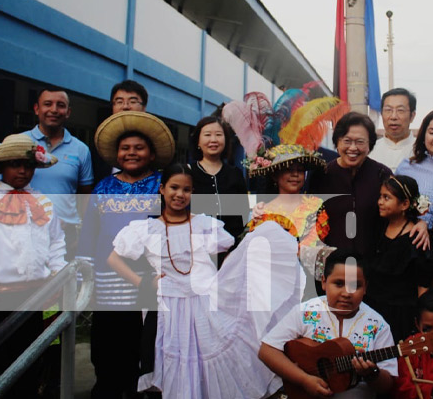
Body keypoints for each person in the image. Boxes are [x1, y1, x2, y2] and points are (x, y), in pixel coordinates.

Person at [108, 163, 303, 398]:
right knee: (178, 365)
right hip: (170, 307)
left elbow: (231, 250)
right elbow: (114, 258)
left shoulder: (204, 224)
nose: (179, 195)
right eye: (174, 188)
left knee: (211, 358)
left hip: (206, 302)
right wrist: (142, 283)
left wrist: (235, 271)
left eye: (186, 190)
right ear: (162, 189)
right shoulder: (146, 228)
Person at [76, 111, 175, 399]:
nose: (131, 153)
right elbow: (89, 233)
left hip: (149, 284)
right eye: (125, 148)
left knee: (144, 348)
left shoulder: (162, 186)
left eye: (139, 147)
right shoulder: (103, 188)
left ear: (152, 153)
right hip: (108, 285)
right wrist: (86, 274)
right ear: (117, 154)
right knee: (107, 350)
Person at [259, 250, 397, 398]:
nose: (346, 293)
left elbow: (387, 385)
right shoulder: (306, 311)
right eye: (338, 284)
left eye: (355, 286)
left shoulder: (377, 325)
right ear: (324, 282)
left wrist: (372, 374)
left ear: (365, 288)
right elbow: (267, 350)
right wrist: (304, 380)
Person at [0, 134, 64, 398]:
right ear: (1, 167)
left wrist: (58, 277)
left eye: (27, 165)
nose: (22, 171)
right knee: (1, 360)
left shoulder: (44, 203)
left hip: (37, 297)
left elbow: (56, 243)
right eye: (14, 164)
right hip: (1, 296)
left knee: (32, 359)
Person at [310, 112, 430, 257]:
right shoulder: (322, 175)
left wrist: (421, 223)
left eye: (360, 142)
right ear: (337, 142)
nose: (353, 148)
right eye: (347, 141)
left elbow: (400, 212)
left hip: (374, 264)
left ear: (370, 145)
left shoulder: (382, 174)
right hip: (333, 265)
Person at [365, 175, 433, 342]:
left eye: (387, 198)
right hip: (373, 309)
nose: (380, 202)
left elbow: (423, 287)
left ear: (405, 204)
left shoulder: (418, 239)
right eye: (380, 196)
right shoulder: (378, 228)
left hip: (402, 314)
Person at [25, 86, 94, 259]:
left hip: (66, 235)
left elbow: (85, 196)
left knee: (65, 284)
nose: (54, 110)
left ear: (68, 112)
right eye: (47, 104)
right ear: (36, 109)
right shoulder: (20, 143)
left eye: (60, 105)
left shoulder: (81, 149)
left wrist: (81, 231)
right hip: (25, 231)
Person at [245, 144, 328, 247]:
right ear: (275, 175)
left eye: (300, 170)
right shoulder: (262, 213)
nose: (295, 174)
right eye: (289, 169)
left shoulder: (315, 206)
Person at [189, 116, 248, 239]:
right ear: (198, 141)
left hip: (231, 248)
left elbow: (243, 214)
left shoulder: (235, 174)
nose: (213, 139)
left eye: (218, 134)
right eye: (207, 135)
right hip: (196, 247)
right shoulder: (187, 172)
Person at [92, 80, 149, 183]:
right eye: (119, 102)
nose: (125, 106)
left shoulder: (154, 144)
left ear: (144, 108)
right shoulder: (98, 151)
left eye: (132, 101)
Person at [370, 88, 417, 171]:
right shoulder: (370, 150)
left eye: (400, 110)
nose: (393, 117)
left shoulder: (422, 150)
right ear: (381, 113)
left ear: (412, 116)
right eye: (388, 110)